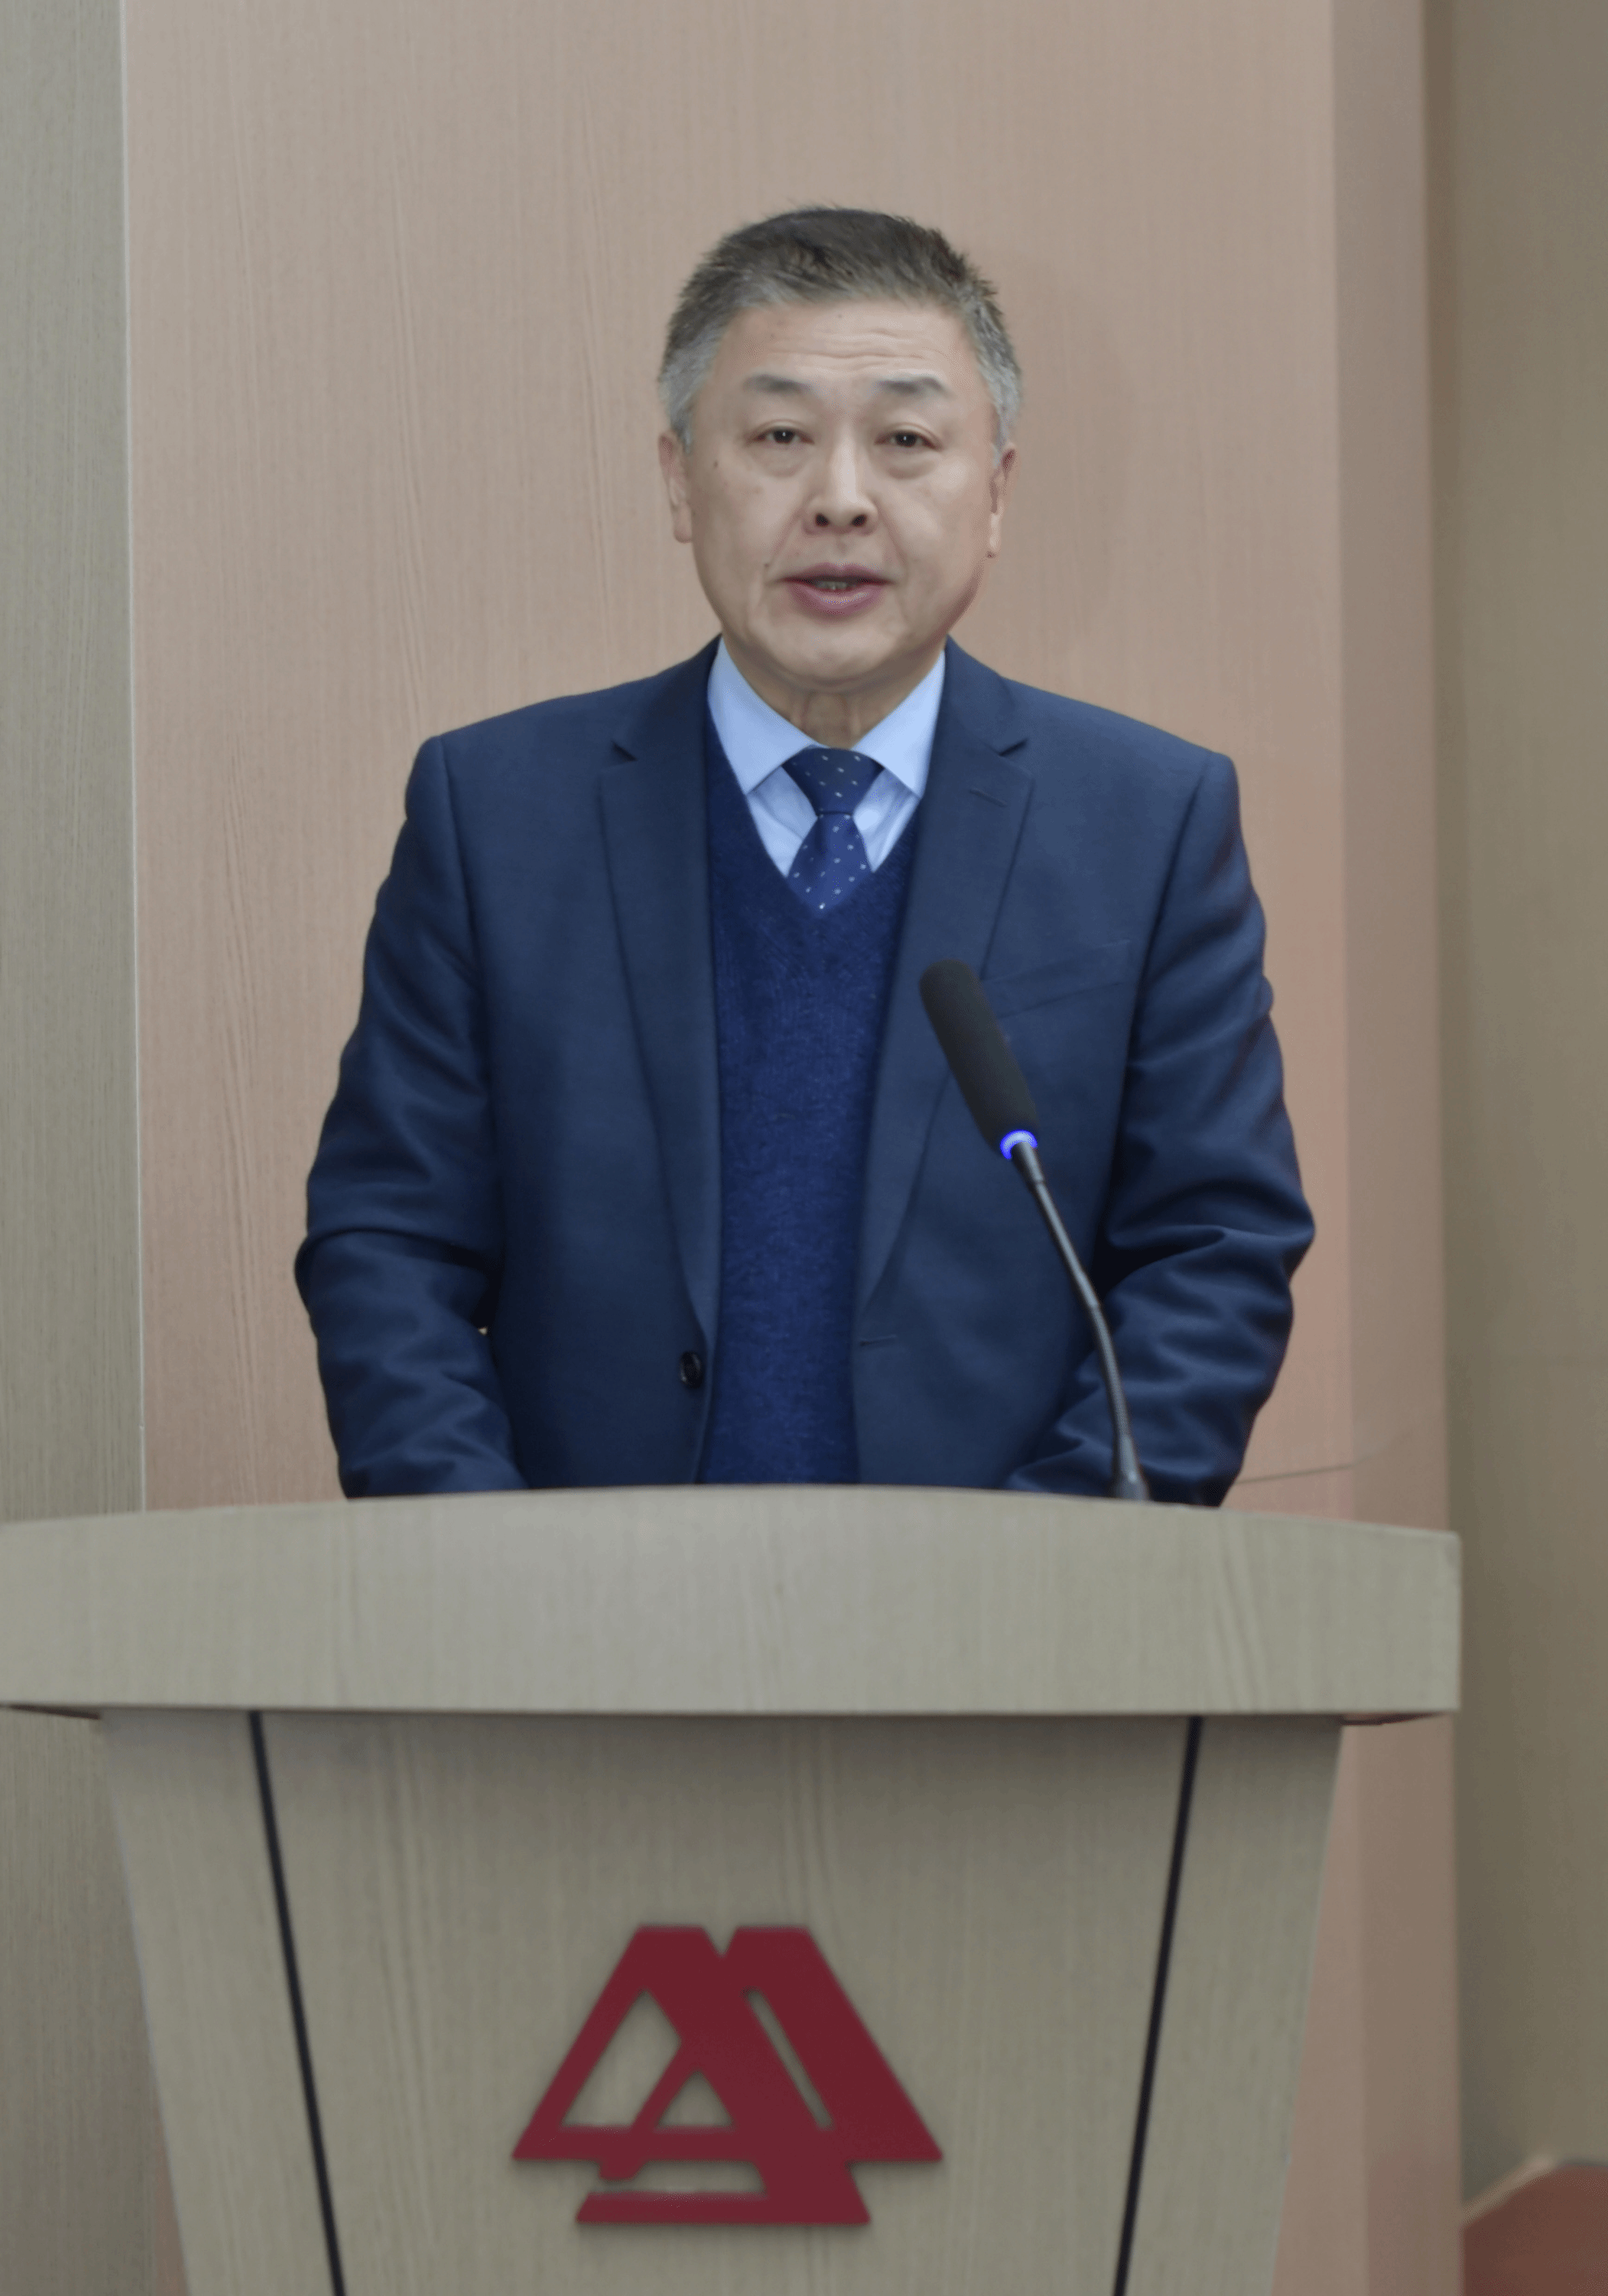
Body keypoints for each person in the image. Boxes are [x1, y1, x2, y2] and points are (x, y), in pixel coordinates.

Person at [296, 207, 1313, 1505]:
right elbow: (390, 1243)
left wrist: (1047, 1575)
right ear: (680, 479)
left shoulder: (1148, 822)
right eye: (779, 437)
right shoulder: (495, 813)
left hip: (1008, 1606)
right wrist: (495, 1572)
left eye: (906, 441)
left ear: (996, 493)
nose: (840, 497)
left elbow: (1212, 1251)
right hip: (578, 1608)